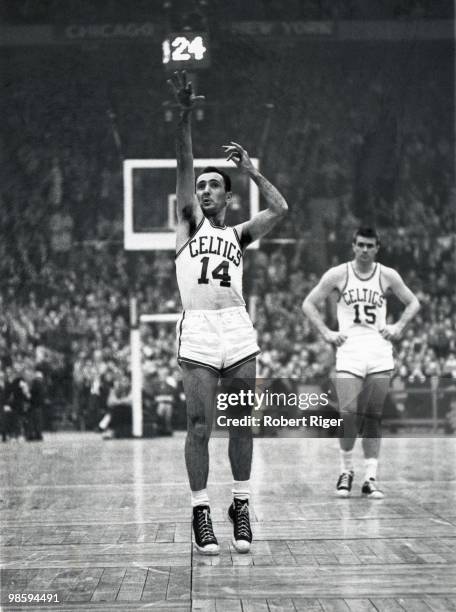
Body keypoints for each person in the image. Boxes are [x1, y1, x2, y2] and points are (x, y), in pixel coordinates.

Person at [168, 70, 288, 554]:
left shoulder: (238, 234)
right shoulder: (188, 224)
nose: (204, 190)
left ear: (229, 195)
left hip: (237, 330)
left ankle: (240, 505)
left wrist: (253, 169)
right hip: (198, 329)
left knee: (241, 423)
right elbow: (183, 163)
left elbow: (281, 208)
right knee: (199, 426)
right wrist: (182, 117)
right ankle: (200, 510)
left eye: (214, 185)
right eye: (200, 186)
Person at [302, 227, 420, 499]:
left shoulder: (387, 275)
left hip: (379, 349)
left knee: (373, 416)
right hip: (350, 349)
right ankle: (346, 470)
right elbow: (308, 303)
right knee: (348, 414)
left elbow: (413, 302)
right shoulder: (338, 274)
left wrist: (399, 325)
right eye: (361, 245)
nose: (365, 250)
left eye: (370, 245)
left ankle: (370, 478)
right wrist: (326, 332)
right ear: (353, 246)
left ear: (377, 247)